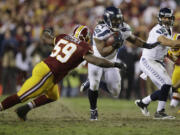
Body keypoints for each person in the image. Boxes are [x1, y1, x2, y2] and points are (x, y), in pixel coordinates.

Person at [0, 25, 126, 121]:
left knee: (53, 96)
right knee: (21, 96)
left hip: (45, 69)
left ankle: (24, 110)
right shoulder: (83, 46)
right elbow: (97, 61)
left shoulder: (63, 36)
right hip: (48, 74)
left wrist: (46, 33)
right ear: (86, 38)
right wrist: (114, 64)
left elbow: (47, 40)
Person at [80, 6, 159, 121]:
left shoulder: (124, 27)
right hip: (96, 59)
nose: (117, 22)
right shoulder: (100, 30)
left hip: (112, 61)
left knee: (115, 92)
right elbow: (102, 52)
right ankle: (93, 111)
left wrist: (146, 45)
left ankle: (91, 82)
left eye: (118, 19)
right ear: (107, 19)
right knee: (94, 84)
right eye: (114, 20)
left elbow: (133, 39)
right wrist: (114, 45)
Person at [135, 7, 180, 119]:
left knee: (167, 88)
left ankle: (143, 102)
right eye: (164, 17)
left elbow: (165, 50)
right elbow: (167, 42)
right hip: (148, 61)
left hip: (157, 61)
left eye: (169, 17)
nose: (167, 20)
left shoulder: (168, 30)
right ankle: (160, 112)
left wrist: (174, 59)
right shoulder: (158, 30)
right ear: (160, 18)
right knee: (166, 84)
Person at [168, 33, 180, 108]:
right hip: (177, 67)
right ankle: (173, 104)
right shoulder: (170, 49)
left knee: (176, 86)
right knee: (174, 87)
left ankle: (174, 103)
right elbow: (168, 54)